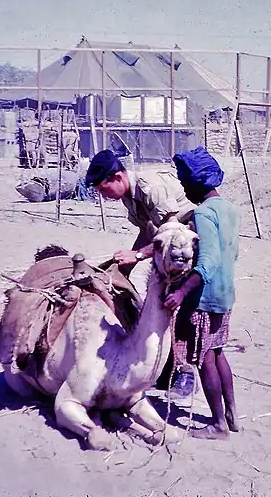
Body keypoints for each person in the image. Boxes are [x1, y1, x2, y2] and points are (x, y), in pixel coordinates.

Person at [85, 149, 197, 398]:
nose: (103, 195)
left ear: (117, 177)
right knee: (156, 306)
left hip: (186, 249)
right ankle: (166, 369)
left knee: (180, 307)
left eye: (103, 189)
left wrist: (136, 256)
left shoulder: (150, 188)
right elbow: (149, 232)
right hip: (168, 253)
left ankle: (186, 372)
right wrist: (124, 268)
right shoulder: (130, 197)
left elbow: (171, 234)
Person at [164, 146, 240, 440]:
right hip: (226, 293)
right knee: (218, 352)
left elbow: (207, 261)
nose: (185, 190)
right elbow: (231, 254)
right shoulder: (230, 210)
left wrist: (182, 292)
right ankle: (232, 415)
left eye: (186, 184)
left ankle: (218, 425)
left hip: (204, 298)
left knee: (205, 357)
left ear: (198, 182)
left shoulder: (204, 213)